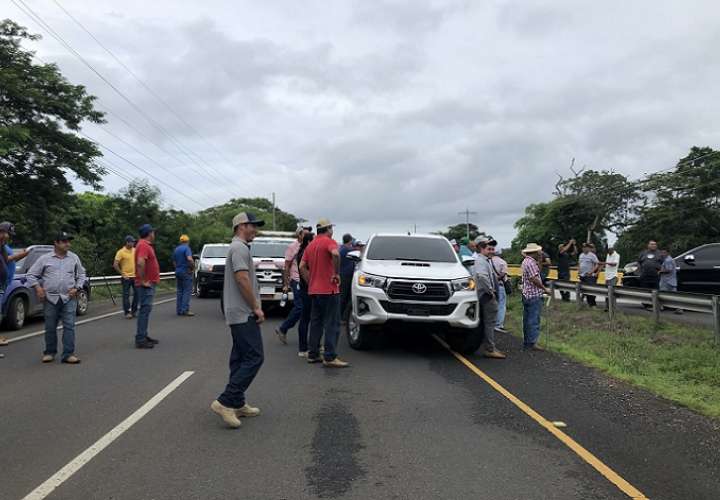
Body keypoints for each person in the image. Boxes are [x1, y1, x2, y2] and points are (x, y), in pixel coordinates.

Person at [211, 212, 266, 428]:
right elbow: (242, 279)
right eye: (253, 226)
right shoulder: (239, 248)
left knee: (240, 358)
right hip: (243, 312)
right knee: (254, 357)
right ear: (242, 226)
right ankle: (226, 401)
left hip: (237, 312)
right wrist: (256, 308)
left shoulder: (238, 248)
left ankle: (238, 402)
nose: (256, 230)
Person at [26, 232, 86, 364]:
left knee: (69, 325)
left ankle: (68, 354)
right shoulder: (44, 259)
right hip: (50, 298)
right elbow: (31, 275)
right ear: (56, 242)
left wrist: (77, 287)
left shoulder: (74, 258)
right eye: (64, 241)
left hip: (69, 297)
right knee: (50, 326)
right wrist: (38, 288)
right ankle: (49, 352)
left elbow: (82, 274)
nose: (67, 244)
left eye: (69, 241)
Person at [300, 218, 349, 368]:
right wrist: (336, 273)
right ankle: (330, 356)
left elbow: (302, 266)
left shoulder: (311, 244)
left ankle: (313, 354)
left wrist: (311, 281)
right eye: (331, 228)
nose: (332, 231)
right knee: (332, 323)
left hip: (314, 290)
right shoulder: (329, 241)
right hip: (329, 290)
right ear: (328, 229)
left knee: (316, 323)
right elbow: (335, 254)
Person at [276, 226, 310, 351]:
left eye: (308, 234)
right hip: (296, 280)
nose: (307, 236)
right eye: (305, 234)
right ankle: (283, 328)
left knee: (306, 308)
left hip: (307, 280)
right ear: (299, 235)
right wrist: (286, 284)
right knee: (299, 306)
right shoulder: (292, 247)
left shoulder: (309, 245)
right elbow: (286, 266)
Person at [473, 236, 506, 359]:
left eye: (493, 249)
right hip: (486, 296)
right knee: (490, 322)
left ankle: (487, 346)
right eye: (489, 248)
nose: (492, 251)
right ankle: (490, 348)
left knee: (485, 322)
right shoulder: (481, 261)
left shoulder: (484, 260)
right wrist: (491, 291)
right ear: (481, 248)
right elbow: (482, 276)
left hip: (483, 295)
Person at [0, 222, 29, 347]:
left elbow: (7, 260)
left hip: (3, 284)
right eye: (6, 234)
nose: (7, 237)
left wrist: (21, 255)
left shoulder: (3, 246)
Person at [135, 224, 161, 349]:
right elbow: (140, 263)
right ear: (149, 233)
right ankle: (140, 338)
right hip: (146, 284)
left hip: (149, 283)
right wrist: (143, 280)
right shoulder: (143, 245)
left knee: (146, 310)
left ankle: (143, 335)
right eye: (153, 232)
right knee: (144, 310)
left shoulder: (144, 245)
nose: (154, 234)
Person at [520, 243, 550, 351]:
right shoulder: (531, 263)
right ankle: (532, 342)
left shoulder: (526, 262)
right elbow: (534, 278)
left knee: (527, 319)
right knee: (534, 319)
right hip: (533, 294)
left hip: (526, 294)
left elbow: (538, 272)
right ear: (534, 252)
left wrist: (540, 259)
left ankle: (527, 341)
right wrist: (544, 289)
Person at [295, 232, 315, 357]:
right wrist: (311, 285)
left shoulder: (302, 252)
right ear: (309, 242)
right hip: (306, 289)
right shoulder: (305, 254)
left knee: (306, 318)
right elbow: (304, 271)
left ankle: (307, 346)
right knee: (306, 318)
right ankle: (303, 348)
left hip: (304, 288)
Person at [113, 235, 138, 319]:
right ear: (127, 242)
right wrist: (122, 274)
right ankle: (127, 312)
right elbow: (115, 265)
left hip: (135, 276)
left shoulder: (135, 250)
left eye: (134, 242)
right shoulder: (121, 252)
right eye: (132, 242)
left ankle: (134, 311)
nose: (133, 243)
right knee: (126, 295)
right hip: (126, 277)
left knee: (137, 294)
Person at [173, 234, 195, 317]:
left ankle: (179, 310)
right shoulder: (187, 248)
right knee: (187, 291)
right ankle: (185, 310)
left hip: (178, 271)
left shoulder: (176, 249)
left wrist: (178, 268)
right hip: (185, 271)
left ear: (180, 241)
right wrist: (192, 267)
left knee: (180, 291)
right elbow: (189, 259)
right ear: (187, 241)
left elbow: (174, 262)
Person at [491, 248, 510, 333]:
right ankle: (498, 325)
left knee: (492, 304)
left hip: (490, 286)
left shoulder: (489, 261)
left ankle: (491, 323)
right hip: (500, 285)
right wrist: (497, 278)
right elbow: (503, 274)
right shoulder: (503, 262)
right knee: (501, 305)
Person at [659, 249, 683, 314]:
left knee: (661, 294)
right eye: (661, 252)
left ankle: (661, 307)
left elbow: (668, 270)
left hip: (667, 281)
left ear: (667, 253)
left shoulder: (668, 260)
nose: (662, 254)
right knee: (674, 295)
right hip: (671, 280)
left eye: (663, 252)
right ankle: (679, 308)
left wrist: (659, 271)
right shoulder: (671, 259)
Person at [339, 233, 355, 321]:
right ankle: (341, 316)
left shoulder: (341, 249)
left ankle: (342, 316)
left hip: (343, 275)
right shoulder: (347, 250)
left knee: (343, 296)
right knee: (344, 297)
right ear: (349, 240)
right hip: (346, 276)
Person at [603, 246, 621, 311]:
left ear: (612, 249)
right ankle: (607, 307)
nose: (608, 252)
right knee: (607, 293)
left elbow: (614, 264)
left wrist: (605, 263)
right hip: (607, 276)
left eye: (608, 250)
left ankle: (613, 308)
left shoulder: (616, 255)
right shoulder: (608, 255)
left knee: (612, 293)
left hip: (613, 276)